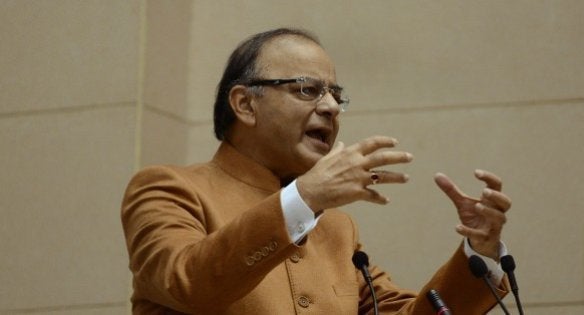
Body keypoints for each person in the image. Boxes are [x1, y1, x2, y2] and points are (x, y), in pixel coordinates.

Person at [121, 28, 512, 314]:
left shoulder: (336, 230)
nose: (331, 107)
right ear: (244, 105)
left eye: (336, 95)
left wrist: (479, 252)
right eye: (307, 90)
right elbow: (189, 283)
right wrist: (304, 198)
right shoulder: (167, 188)